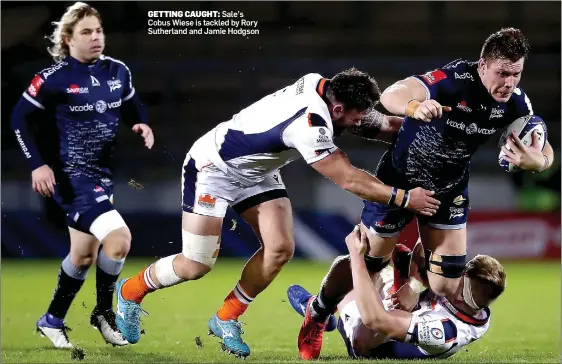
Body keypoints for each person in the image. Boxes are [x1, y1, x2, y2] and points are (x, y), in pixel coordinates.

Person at [115, 69, 441, 357]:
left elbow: (374, 124)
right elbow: (349, 178)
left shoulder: (324, 87)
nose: (358, 121)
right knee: (195, 264)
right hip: (214, 169)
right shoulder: (308, 125)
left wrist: (425, 134)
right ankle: (130, 293)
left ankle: (227, 317)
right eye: (355, 115)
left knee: (280, 248)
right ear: (338, 107)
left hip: (256, 170)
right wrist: (403, 198)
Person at [297, 27, 555, 360]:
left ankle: (405, 287)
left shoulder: (516, 103)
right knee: (368, 261)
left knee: (446, 285)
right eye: (502, 73)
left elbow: (543, 149)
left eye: (516, 74)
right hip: (400, 180)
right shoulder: (454, 80)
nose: (509, 82)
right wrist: (415, 106)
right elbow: (393, 94)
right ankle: (318, 313)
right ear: (483, 65)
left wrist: (537, 161)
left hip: (448, 191)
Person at [10, 2, 153, 349]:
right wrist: (37, 164)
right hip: (70, 179)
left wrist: (143, 122)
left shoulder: (118, 71)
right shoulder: (52, 79)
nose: (95, 37)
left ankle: (51, 320)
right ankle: (103, 312)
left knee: (83, 256)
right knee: (119, 240)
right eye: (86, 32)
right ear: (68, 39)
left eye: (99, 30)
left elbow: (133, 104)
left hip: (102, 178)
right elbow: (18, 120)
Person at [289, 227, 506, 359]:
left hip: (372, 339)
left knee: (351, 265)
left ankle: (317, 310)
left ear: (462, 294)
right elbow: (426, 243)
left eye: (459, 276)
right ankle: (396, 282)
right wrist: (413, 283)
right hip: (406, 308)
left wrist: (357, 258)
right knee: (379, 251)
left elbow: (375, 319)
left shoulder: (444, 331)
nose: (453, 274)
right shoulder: (470, 300)